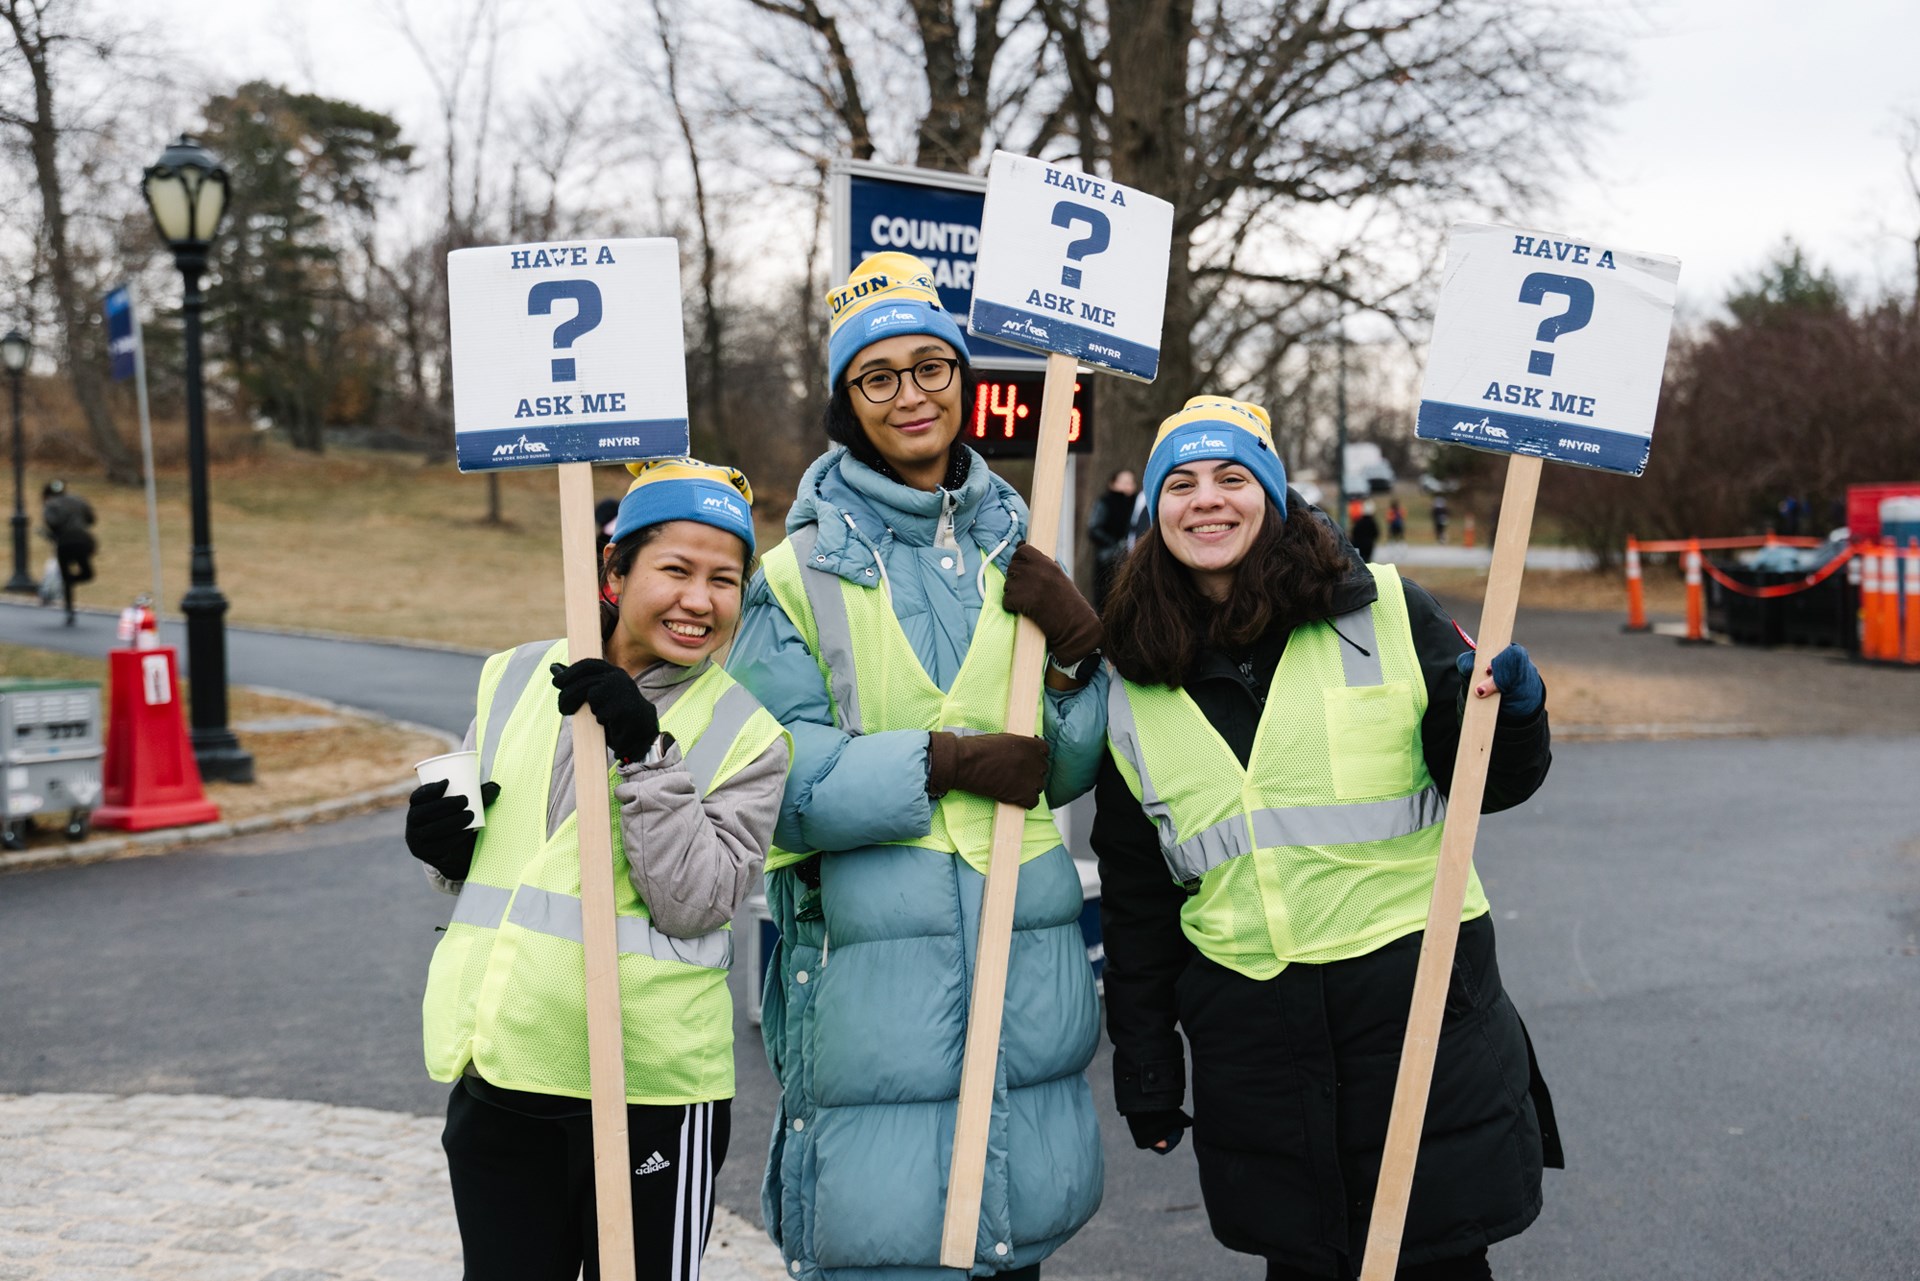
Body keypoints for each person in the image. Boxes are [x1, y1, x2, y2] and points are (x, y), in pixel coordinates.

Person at [1092, 396, 1561, 1281]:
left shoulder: (1385, 608)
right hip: (1260, 1059)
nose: (1208, 500)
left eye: (1233, 477)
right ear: (1156, 512)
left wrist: (1514, 716)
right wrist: (1147, 1065)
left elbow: (1485, 784)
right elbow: (1136, 893)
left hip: (1422, 1033)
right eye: (1182, 484)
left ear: (1272, 494)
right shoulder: (1133, 676)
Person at [728, 251, 1107, 1280]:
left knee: (1009, 1237)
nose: (911, 395)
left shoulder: (1019, 547)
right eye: (879, 376)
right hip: (870, 967)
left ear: (964, 380)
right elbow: (775, 786)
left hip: (1016, 950)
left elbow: (1060, 772)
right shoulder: (792, 576)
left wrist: (1079, 661)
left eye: (931, 367)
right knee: (890, 1240)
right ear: (848, 403)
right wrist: (938, 763)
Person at [405, 459, 792, 1281]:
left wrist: (644, 752)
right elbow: (503, 860)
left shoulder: (749, 733)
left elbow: (693, 902)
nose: (701, 599)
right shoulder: (510, 675)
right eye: (676, 570)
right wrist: (446, 851)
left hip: (647, 1090)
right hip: (503, 1066)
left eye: (725, 579)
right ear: (614, 570)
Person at [40, 479, 95, 625]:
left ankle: (69, 608)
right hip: (84, 541)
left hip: (64, 543)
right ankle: (70, 583)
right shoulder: (78, 500)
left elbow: (52, 523)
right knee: (87, 573)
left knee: (66, 576)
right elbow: (91, 519)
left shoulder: (50, 505)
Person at [1087, 467, 1140, 610]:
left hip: (1132, 558)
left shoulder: (1138, 504)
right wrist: (1116, 544)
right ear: (1113, 483)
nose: (1127, 485)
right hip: (1108, 559)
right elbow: (1094, 529)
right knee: (1105, 598)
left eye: (1130, 482)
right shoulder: (1105, 502)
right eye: (1123, 481)